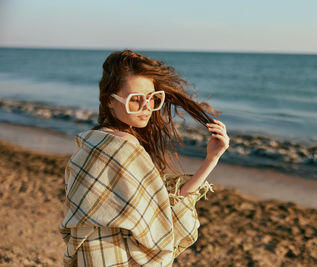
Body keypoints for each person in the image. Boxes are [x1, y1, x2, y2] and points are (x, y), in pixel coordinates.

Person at [59, 49, 230, 266]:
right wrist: (211, 160)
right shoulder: (125, 148)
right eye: (135, 99)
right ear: (109, 101)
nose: (147, 107)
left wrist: (211, 159)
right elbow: (163, 225)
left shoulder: (90, 143)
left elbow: (161, 205)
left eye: (153, 98)